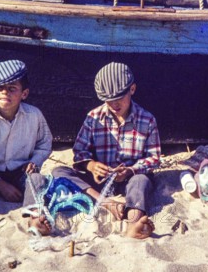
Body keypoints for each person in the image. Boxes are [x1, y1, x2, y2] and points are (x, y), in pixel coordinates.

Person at [34, 62, 161, 239]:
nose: (115, 104)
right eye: (109, 100)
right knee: (59, 172)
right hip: (100, 183)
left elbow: (154, 158)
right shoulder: (94, 118)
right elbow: (79, 152)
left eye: (119, 98)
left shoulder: (147, 120)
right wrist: (92, 166)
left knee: (141, 182)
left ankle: (134, 222)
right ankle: (105, 203)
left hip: (130, 179)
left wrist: (131, 170)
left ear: (132, 89)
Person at [0, 60, 53, 202]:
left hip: (20, 171)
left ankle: (34, 217)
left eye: (12, 88)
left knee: (37, 181)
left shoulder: (34, 115)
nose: (4, 92)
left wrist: (34, 161)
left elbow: (44, 143)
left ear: (24, 94)